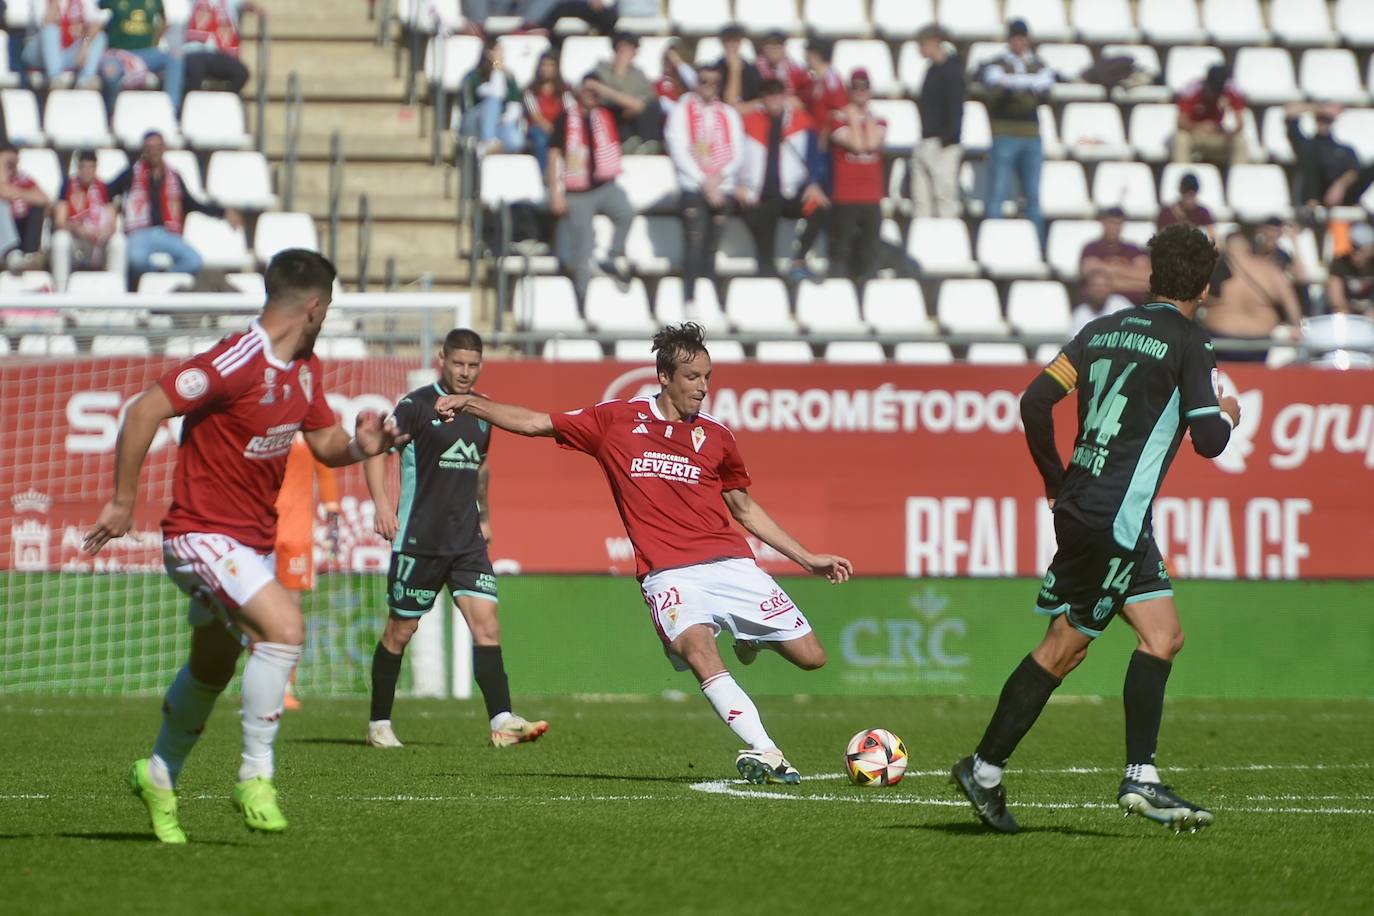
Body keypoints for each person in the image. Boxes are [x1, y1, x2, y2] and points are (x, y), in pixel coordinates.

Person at [83, 249, 409, 844]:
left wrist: (362, 446)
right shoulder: (235, 359)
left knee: (213, 662)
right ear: (314, 307)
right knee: (284, 628)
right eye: (329, 308)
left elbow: (326, 442)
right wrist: (123, 502)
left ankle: (158, 774)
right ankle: (256, 777)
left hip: (249, 544)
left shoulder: (305, 367)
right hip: (198, 536)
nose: (327, 317)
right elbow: (143, 410)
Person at [432, 323, 852, 784]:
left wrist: (808, 558)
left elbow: (745, 509)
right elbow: (536, 423)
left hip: (731, 566)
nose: (702, 387)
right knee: (698, 650)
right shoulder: (616, 420)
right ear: (664, 377)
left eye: (707, 377)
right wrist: (471, 402)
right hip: (669, 575)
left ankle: (749, 638)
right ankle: (766, 749)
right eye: (692, 377)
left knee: (813, 657)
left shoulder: (717, 437)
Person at [952, 223, 1240, 835]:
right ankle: (986, 769)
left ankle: (1141, 774)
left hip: (1090, 505)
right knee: (1064, 648)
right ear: (1205, 284)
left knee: (1163, 636)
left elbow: (1034, 402)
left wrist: (1055, 479)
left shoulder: (1099, 331)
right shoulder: (1190, 340)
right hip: (1115, 519)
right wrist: (1227, 412)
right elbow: (1211, 440)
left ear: (1155, 274)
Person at [364, 329, 548, 749]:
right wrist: (380, 505)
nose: (465, 373)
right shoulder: (414, 406)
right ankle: (378, 723)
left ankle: (502, 721)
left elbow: (480, 467)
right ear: (442, 360)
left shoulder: (481, 412)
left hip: (466, 542)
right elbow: (376, 449)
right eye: (458, 364)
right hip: (419, 541)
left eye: (473, 365)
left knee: (487, 626)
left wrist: (484, 514)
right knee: (400, 631)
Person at [107, 130, 242, 279]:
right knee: (136, 260)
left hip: (168, 233)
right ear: (144, 151)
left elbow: (193, 204)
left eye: (157, 147)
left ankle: (162, 281)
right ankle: (154, 282)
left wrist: (223, 212)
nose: (153, 152)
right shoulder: (131, 174)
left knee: (194, 261)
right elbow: (106, 192)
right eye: (149, 148)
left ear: (164, 149)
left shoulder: (174, 177)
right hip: (139, 233)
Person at [547, 75, 634, 299]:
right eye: (587, 89)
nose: (590, 94)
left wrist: (603, 89)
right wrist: (555, 192)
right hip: (578, 192)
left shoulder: (606, 113)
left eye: (595, 91)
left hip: (605, 186)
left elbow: (636, 105)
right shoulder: (565, 118)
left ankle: (613, 256)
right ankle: (582, 298)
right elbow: (554, 154)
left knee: (626, 212)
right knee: (583, 249)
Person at [665, 65, 743, 309]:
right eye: (703, 81)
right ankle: (689, 298)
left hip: (722, 188)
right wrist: (704, 181)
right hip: (694, 187)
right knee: (694, 243)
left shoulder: (728, 114)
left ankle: (710, 300)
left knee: (712, 247)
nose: (708, 86)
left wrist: (719, 178)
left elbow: (738, 153)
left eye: (714, 82)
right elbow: (678, 149)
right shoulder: (681, 110)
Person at [273, 433, 341, 711]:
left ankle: (284, 686)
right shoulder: (264, 422)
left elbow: (325, 472)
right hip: (258, 531)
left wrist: (333, 518)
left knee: (289, 612)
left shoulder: (310, 432)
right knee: (253, 609)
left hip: (296, 536)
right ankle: (260, 683)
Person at [738, 78, 827, 281]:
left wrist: (813, 183)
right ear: (763, 98)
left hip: (790, 194)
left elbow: (814, 156)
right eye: (770, 95)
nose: (774, 100)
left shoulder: (802, 122)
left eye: (778, 94)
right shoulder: (748, 122)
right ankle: (767, 272)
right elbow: (734, 155)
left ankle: (798, 261)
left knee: (819, 206)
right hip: (757, 195)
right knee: (763, 226)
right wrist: (737, 185)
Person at [982, 18, 1053, 245]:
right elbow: (995, 81)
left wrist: (1012, 84)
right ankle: (992, 243)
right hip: (1005, 134)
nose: (1018, 42)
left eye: (1021, 38)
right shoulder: (998, 63)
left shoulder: (1038, 65)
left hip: (1031, 136)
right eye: (1014, 38)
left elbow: (1044, 84)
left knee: (1033, 196)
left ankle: (1036, 247)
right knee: (998, 193)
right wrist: (1027, 85)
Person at [1201, 231, 1302, 361]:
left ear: (1225, 247)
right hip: (1260, 341)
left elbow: (1194, 301)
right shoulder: (1269, 270)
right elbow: (1292, 306)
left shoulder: (1214, 269)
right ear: (1248, 247)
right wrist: (1295, 328)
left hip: (1221, 338)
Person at [827, 69, 886, 282]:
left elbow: (871, 144)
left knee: (869, 251)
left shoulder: (879, 120)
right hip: (846, 195)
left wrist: (863, 117)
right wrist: (853, 117)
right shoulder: (836, 119)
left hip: (871, 195)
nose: (861, 92)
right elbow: (858, 146)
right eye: (856, 87)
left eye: (864, 87)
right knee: (842, 250)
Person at [912, 24, 963, 219]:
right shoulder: (931, 70)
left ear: (934, 43)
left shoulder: (952, 70)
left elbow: (955, 108)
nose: (920, 49)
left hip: (944, 145)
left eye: (922, 44)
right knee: (921, 200)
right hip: (927, 140)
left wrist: (947, 140)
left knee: (944, 198)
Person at [52, 149, 122, 290]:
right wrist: (77, 228)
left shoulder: (104, 188)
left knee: (119, 242)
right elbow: (59, 222)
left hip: (98, 240)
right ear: (78, 168)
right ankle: (60, 291)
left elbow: (112, 222)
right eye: (83, 167)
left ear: (96, 168)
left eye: (91, 167)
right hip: (76, 240)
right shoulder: (67, 186)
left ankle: (117, 293)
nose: (87, 171)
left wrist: (105, 232)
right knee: (60, 240)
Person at [1284, 103, 1374, 210]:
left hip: (1341, 196)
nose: (1323, 123)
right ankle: (1312, 202)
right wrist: (1318, 108)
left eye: (1327, 120)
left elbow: (1355, 170)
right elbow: (1290, 113)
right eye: (1320, 119)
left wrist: (1340, 185)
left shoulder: (1344, 149)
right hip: (1316, 194)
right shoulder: (1305, 144)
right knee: (1308, 155)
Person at [98, 0, 183, 112]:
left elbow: (164, 20)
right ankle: (111, 113)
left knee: (175, 56)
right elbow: (95, 17)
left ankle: (172, 109)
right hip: (119, 54)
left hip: (146, 53)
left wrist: (156, 41)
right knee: (110, 71)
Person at [588, 31, 662, 153]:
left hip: (633, 115)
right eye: (622, 49)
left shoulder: (639, 75)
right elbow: (593, 90)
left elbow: (644, 101)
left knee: (653, 107)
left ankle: (648, 144)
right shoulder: (601, 70)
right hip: (611, 114)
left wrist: (625, 102)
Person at [180, 0, 262, 100]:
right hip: (195, 51)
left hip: (219, 54)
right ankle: (186, 108)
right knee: (196, 74)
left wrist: (255, 9)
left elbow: (243, 4)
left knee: (241, 73)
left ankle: (224, 101)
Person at [458, 37, 525, 157]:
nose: (501, 55)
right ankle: (488, 142)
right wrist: (497, 65)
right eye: (497, 52)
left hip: (499, 122)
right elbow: (494, 93)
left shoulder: (508, 76)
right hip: (475, 121)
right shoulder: (473, 76)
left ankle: (490, 152)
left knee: (515, 141)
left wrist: (506, 118)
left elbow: (515, 103)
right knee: (492, 102)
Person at [20, 0, 108, 90]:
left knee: (99, 37)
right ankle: (55, 78)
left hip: (67, 53)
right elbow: (46, 23)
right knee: (50, 29)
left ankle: (85, 80)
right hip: (38, 52)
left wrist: (85, 43)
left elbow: (95, 23)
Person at [1173, 65, 1247, 167]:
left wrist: (1228, 118)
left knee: (1240, 141)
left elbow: (1239, 124)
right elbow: (1180, 122)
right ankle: (1184, 175)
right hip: (1196, 135)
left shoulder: (1231, 92)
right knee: (1181, 139)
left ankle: (1239, 178)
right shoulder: (1193, 90)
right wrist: (1199, 126)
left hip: (1221, 137)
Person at [1079, 206, 1149, 304]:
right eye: (1111, 222)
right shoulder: (1091, 249)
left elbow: (1148, 278)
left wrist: (1113, 272)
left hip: (1134, 308)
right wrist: (1133, 279)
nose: (1114, 227)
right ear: (1103, 223)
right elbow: (1094, 281)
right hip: (1101, 307)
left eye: (1118, 223)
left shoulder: (1134, 250)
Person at [0, 142, 50, 270]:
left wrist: (18, 193)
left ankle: (29, 257)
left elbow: (43, 199)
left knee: (37, 209)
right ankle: (10, 254)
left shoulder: (22, 179)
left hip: (20, 226)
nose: (11, 167)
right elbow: (2, 191)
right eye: (8, 163)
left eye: (13, 163)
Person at [523, 51, 567, 173]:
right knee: (541, 139)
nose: (546, 68)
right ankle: (545, 174)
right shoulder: (530, 91)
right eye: (544, 65)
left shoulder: (564, 90)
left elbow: (570, 111)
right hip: (538, 128)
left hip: (559, 127)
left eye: (550, 65)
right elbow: (535, 115)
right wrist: (551, 129)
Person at [1327, 222, 1374, 314]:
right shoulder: (1339, 264)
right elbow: (1337, 302)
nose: (1354, 251)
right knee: (1340, 313)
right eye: (1352, 245)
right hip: (1349, 318)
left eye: (1359, 247)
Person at [1069, 269, 1132, 337]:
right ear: (1087, 289)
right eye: (1095, 285)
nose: (1100, 289)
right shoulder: (1080, 313)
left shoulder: (1121, 305)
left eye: (1104, 285)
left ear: (1110, 288)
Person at [715, 23, 759, 111]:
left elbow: (760, 99)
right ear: (722, 42)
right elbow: (730, 102)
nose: (731, 44)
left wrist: (745, 107)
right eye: (728, 40)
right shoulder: (716, 68)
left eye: (735, 40)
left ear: (740, 42)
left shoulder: (751, 69)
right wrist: (734, 70)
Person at [652, 40, 697, 118]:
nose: (669, 63)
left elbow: (696, 83)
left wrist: (679, 63)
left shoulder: (688, 82)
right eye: (666, 59)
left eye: (671, 60)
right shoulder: (660, 83)